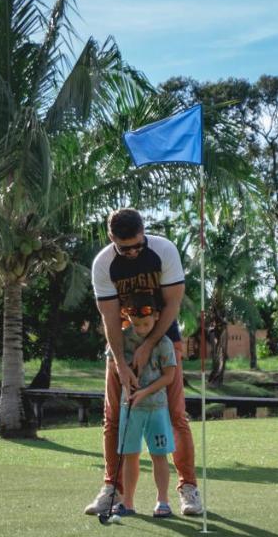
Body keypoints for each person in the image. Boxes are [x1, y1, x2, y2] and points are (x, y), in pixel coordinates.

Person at [84, 208, 203, 517]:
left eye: (138, 244)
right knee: (113, 418)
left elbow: (174, 304)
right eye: (126, 248)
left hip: (165, 336)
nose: (134, 252)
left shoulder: (163, 250)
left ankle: (188, 489)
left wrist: (150, 345)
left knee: (176, 415)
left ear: (144, 232)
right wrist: (122, 366)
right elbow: (110, 320)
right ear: (112, 239)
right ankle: (113, 489)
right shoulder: (103, 265)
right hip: (123, 342)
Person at [106, 301, 178, 519]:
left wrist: (143, 392)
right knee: (130, 455)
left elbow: (169, 376)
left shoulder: (163, 342)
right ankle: (127, 503)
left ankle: (163, 501)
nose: (141, 330)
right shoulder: (122, 339)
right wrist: (127, 383)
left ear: (156, 317)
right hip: (131, 408)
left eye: (146, 324)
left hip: (156, 407)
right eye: (137, 325)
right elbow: (113, 364)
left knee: (159, 455)